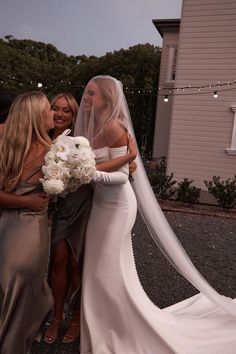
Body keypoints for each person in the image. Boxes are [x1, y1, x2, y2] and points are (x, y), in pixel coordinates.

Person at [74, 75, 236, 354]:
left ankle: (120, 329)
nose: (87, 98)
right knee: (97, 269)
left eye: (93, 94)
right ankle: (102, 325)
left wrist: (91, 174)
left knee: (109, 269)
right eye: (86, 93)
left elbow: (123, 176)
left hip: (118, 207)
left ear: (108, 99)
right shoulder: (90, 128)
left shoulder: (113, 127)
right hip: (100, 207)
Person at [44, 93, 137, 344]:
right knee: (58, 261)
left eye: (67, 111)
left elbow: (114, 163)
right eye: (55, 108)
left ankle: (76, 319)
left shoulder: (81, 139)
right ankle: (56, 316)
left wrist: (129, 158)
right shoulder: (42, 135)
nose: (60, 114)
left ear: (75, 116)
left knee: (78, 263)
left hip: (85, 205)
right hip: (58, 207)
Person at [0, 91, 54, 354]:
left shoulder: (7, 144)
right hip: (28, 230)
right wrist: (27, 202)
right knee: (22, 290)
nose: (53, 114)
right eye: (48, 110)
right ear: (35, 116)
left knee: (12, 288)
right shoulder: (51, 151)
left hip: (7, 227)